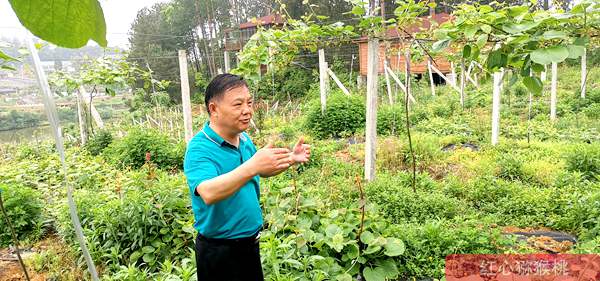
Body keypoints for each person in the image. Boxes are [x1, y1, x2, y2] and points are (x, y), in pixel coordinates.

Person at [183, 73, 311, 281]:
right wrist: (252, 166)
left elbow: (259, 170)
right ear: (213, 109)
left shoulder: (243, 139)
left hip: (249, 244)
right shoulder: (200, 148)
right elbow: (208, 192)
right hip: (219, 251)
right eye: (238, 104)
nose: (247, 111)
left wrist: (290, 159)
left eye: (249, 103)